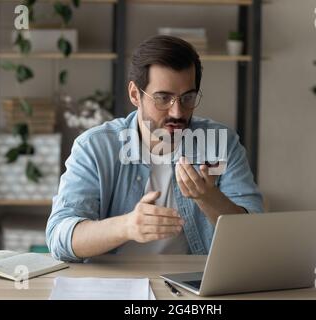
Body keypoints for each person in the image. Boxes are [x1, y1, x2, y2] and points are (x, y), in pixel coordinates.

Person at [46, 35, 263, 262]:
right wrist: (127, 226)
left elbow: (254, 239)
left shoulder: (222, 143)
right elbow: (59, 238)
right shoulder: (95, 146)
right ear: (134, 95)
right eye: (163, 98)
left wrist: (208, 197)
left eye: (187, 98)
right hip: (113, 285)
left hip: (190, 286)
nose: (177, 112)